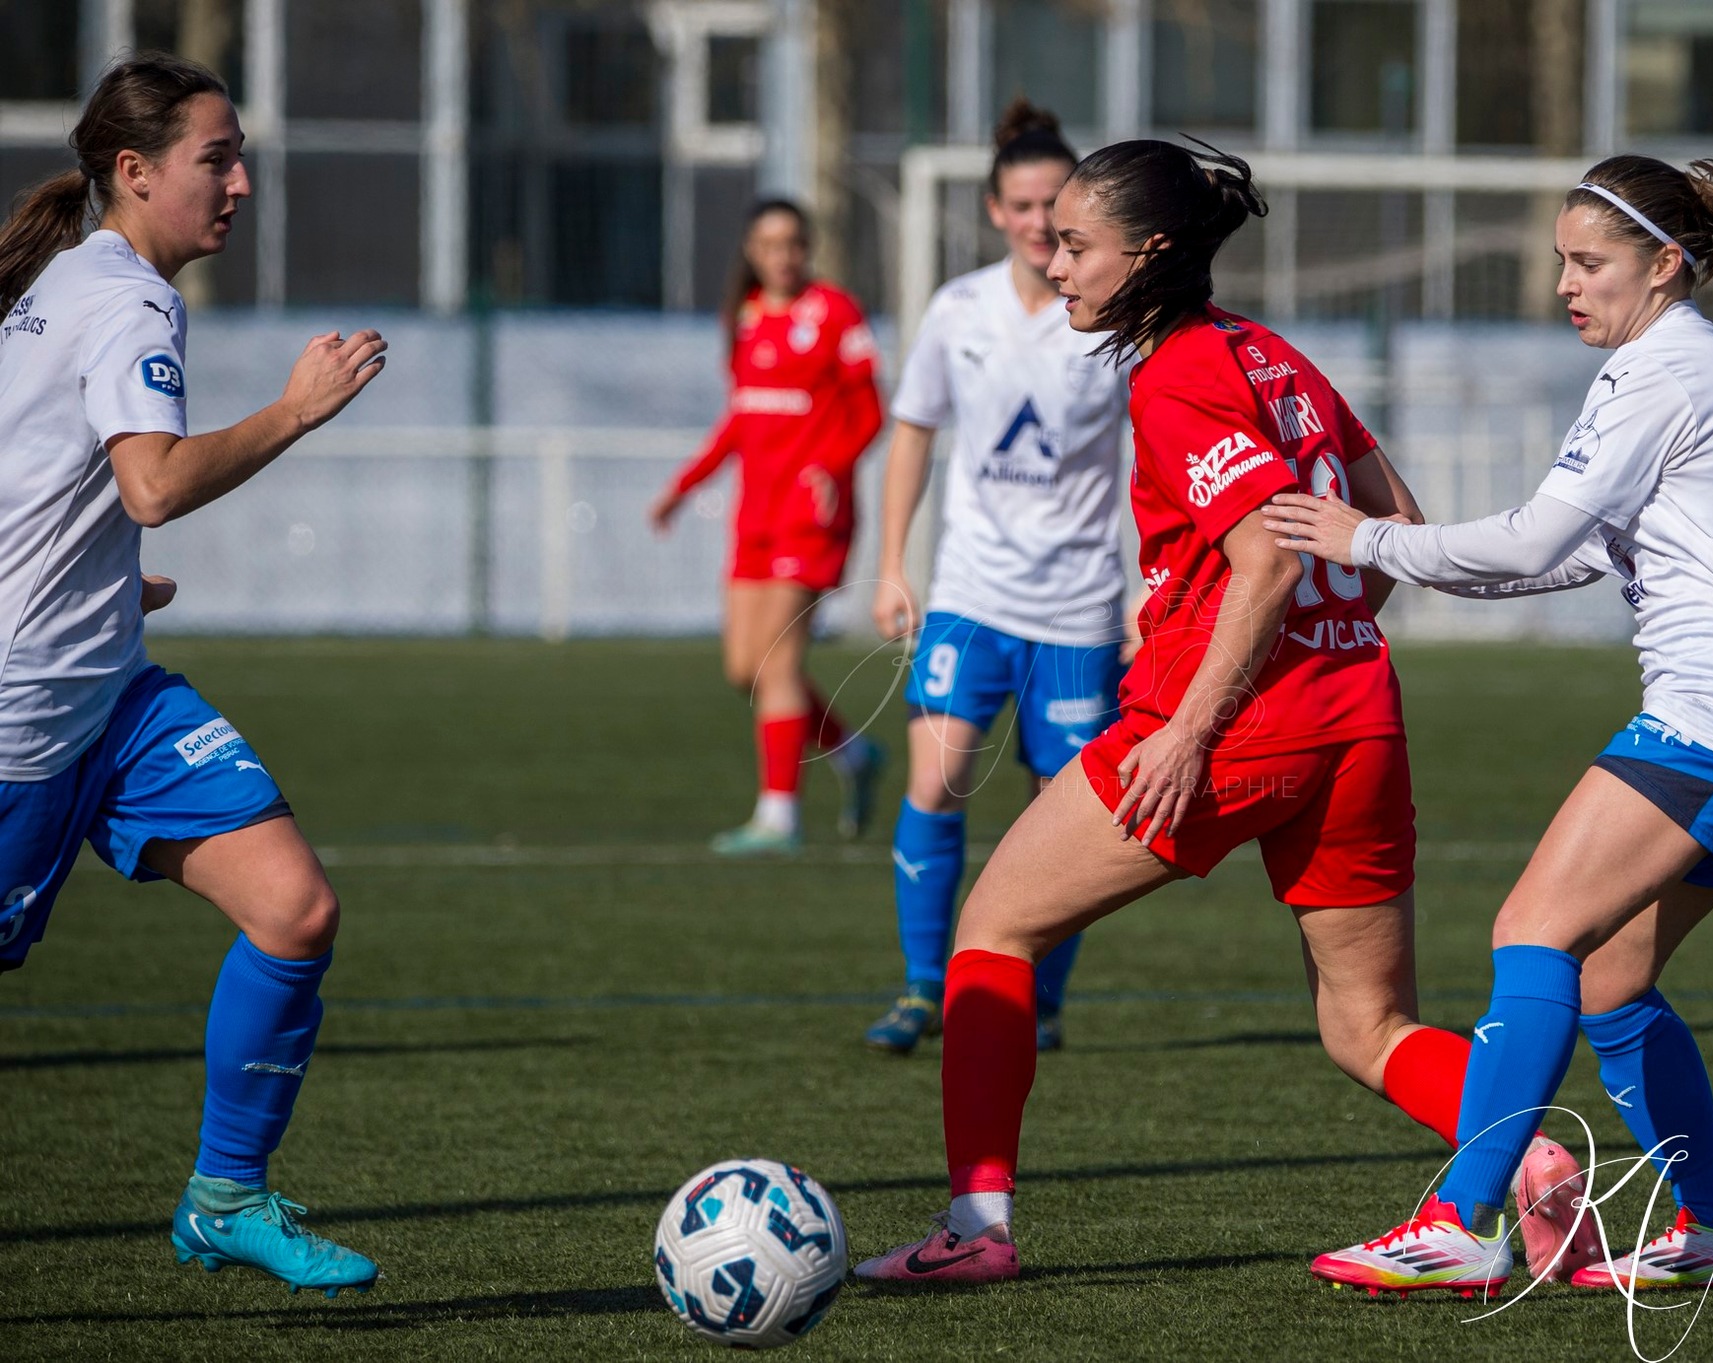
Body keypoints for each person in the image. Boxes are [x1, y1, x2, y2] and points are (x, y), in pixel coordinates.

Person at [853, 140, 1589, 1287]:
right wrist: (1313, 634)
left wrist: (1191, 726)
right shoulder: (1272, 354)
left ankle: (976, 1229)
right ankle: (1527, 1159)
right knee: (1365, 1027)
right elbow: (1392, 528)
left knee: (990, 929)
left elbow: (1265, 561)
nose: (1054, 265)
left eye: (1076, 245)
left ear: (1148, 253)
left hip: (1234, 729)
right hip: (1357, 717)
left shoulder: (1176, 374)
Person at [1264, 150, 1713, 1294]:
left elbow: (1533, 538)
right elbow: (1564, 555)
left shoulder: (1660, 368)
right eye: (1559, 261)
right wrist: (1415, 557)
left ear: (1662, 264)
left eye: (1588, 263)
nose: (1565, 284)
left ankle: (1458, 1221)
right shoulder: (1681, 360)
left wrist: (1365, 538)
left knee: (1533, 928)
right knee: (1611, 975)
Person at [0, 54, 387, 1294]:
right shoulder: (123, 301)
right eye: (216, 160)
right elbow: (153, 486)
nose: (241, 184)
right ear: (134, 171)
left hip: (108, 690)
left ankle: (226, 1197)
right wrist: (295, 409)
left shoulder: (71, 282)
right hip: (23, 717)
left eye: (239, 158)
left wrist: (100, 588)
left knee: (294, 908)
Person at [862, 100, 1132, 1057]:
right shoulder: (958, 310)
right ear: (993, 210)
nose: (1036, 220)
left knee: (1063, 820)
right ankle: (923, 987)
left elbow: (1155, 457)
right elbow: (912, 434)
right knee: (936, 779)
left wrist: (1152, 590)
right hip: (971, 595)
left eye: (1054, 203)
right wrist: (891, 566)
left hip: (1079, 609)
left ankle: (1038, 999)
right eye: (1021, 204)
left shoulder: (1113, 321)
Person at [649, 200, 886, 855]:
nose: (783, 255)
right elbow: (740, 418)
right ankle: (854, 753)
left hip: (811, 517)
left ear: (807, 248)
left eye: (793, 242)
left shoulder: (835, 313)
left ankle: (779, 817)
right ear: (751, 251)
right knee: (744, 668)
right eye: (769, 243)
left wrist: (832, 466)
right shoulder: (745, 316)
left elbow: (871, 411)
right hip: (755, 515)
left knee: (778, 663)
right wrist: (683, 487)